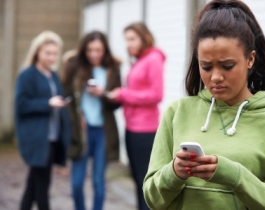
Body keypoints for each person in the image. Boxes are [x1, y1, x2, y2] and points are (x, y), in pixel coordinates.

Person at [143, 1, 265, 209]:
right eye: (206, 66)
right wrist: (173, 172)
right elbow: (152, 199)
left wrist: (235, 176)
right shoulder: (176, 113)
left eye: (227, 66)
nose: (216, 77)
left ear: (250, 59)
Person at [107, 22, 166, 210]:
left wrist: (124, 94)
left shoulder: (153, 59)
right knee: (137, 179)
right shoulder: (140, 60)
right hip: (132, 127)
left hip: (145, 131)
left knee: (144, 181)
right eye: (126, 40)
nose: (128, 44)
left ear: (144, 38)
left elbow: (156, 94)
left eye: (132, 39)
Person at [61, 31, 121, 210]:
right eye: (90, 50)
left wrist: (104, 94)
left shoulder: (113, 69)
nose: (94, 54)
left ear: (105, 50)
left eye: (98, 50)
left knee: (98, 182)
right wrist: (75, 118)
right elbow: (65, 96)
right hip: (81, 132)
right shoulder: (74, 66)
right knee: (77, 183)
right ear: (84, 50)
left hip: (103, 132)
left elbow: (117, 103)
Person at [14, 31, 71, 210]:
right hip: (38, 139)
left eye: (55, 53)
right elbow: (21, 105)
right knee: (42, 187)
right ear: (38, 51)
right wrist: (48, 103)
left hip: (52, 138)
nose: (52, 57)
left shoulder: (53, 75)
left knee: (33, 186)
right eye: (48, 53)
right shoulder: (27, 75)